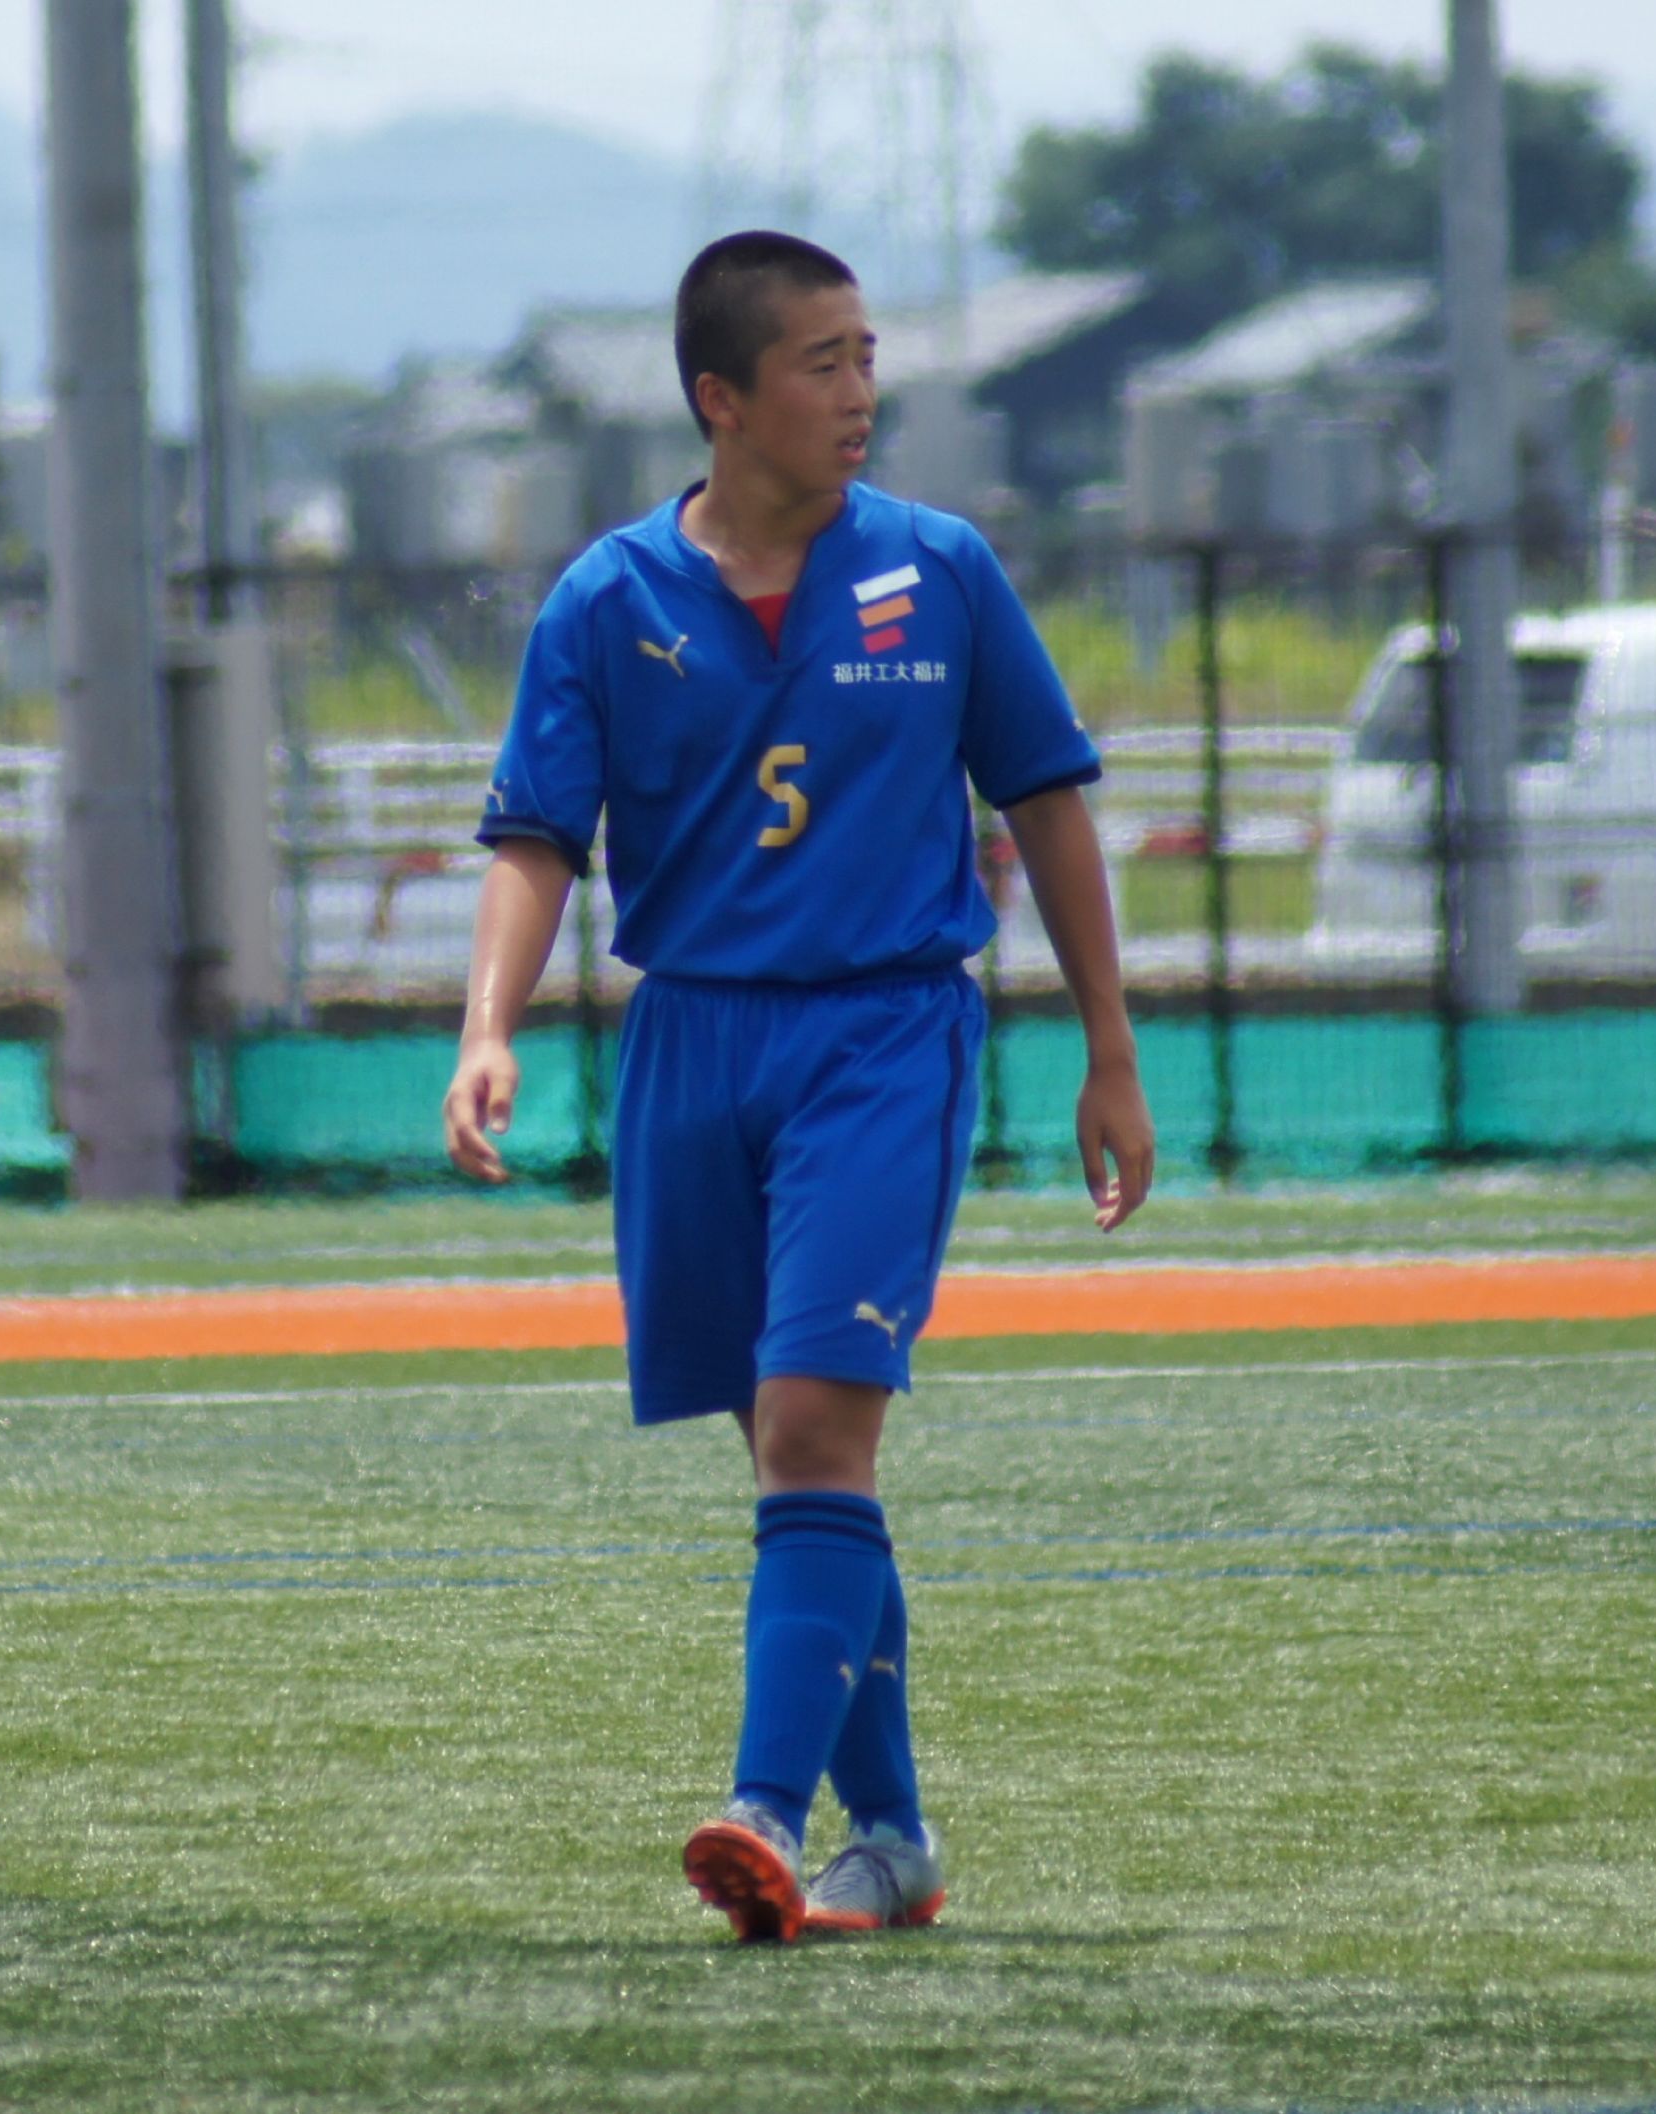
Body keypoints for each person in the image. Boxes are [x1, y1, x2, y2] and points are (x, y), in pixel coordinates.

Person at [441, 231, 1154, 1944]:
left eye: (866, 355)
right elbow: (536, 836)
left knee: (821, 1424)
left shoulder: (940, 567)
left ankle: (762, 1805)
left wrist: (1111, 1048)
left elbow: (1048, 801)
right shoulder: (607, 598)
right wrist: (487, 1025)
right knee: (791, 1451)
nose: (861, 391)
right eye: (822, 362)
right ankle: (890, 1839)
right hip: (691, 1044)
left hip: (882, 1035)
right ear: (723, 399)